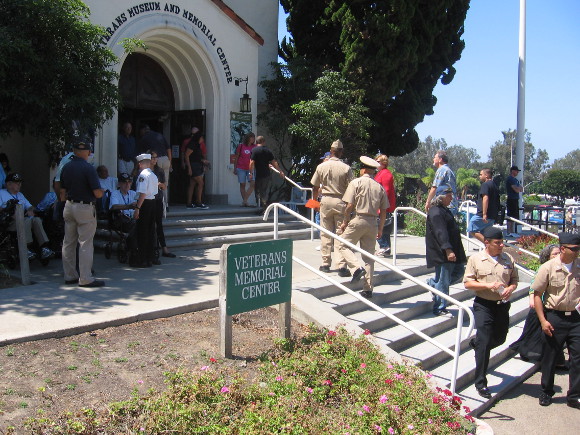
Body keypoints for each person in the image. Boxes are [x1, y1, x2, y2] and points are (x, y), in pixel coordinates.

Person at [464, 226, 519, 399]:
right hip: (483, 305)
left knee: (500, 338)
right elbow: (467, 283)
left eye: (502, 242)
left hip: (502, 305)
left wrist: (511, 288)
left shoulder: (507, 258)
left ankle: (477, 344)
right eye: (498, 243)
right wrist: (487, 285)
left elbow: (515, 280)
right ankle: (481, 382)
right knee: (485, 341)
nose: (501, 245)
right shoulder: (476, 259)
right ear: (487, 243)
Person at [532, 232, 580, 409]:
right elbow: (537, 295)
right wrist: (543, 321)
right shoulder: (548, 267)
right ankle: (546, 391)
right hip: (554, 317)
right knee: (550, 357)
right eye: (574, 249)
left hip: (576, 319)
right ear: (563, 249)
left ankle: (574, 395)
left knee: (577, 358)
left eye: (578, 249)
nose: (577, 252)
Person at [338, 156, 389, 299]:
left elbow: (349, 206)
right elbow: (384, 210)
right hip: (373, 222)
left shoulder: (356, 183)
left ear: (364, 169)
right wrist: (380, 229)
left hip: (359, 218)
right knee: (369, 257)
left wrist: (345, 221)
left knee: (343, 244)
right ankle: (368, 289)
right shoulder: (379, 187)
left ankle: (355, 268)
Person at [510, 244, 566, 365]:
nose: (557, 256)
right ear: (547, 256)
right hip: (539, 305)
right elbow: (534, 286)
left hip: (552, 306)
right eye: (554, 254)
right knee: (533, 333)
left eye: (558, 253)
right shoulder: (544, 268)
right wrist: (531, 299)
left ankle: (556, 360)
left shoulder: (563, 268)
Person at [60, 141, 104, 287]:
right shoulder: (88, 168)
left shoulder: (66, 167)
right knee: (85, 243)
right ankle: (85, 277)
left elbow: (62, 192)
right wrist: (102, 192)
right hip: (84, 207)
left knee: (68, 242)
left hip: (69, 205)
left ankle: (69, 275)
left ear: (74, 151)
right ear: (87, 152)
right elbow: (97, 193)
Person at [310, 140, 353, 276]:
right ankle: (341, 265)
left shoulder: (321, 166)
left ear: (331, 150)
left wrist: (314, 202)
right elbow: (352, 187)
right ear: (340, 151)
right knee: (341, 233)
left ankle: (325, 263)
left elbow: (315, 187)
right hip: (340, 200)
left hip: (325, 200)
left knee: (325, 232)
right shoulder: (346, 168)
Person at [425, 187, 467, 317]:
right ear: (441, 197)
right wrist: (448, 249)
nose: (451, 198)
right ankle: (439, 307)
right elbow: (440, 232)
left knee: (459, 272)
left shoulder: (444, 210)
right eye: (449, 196)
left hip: (453, 249)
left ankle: (433, 284)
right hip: (442, 252)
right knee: (443, 280)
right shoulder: (436, 212)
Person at [0, 173, 55, 261]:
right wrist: (8, 210)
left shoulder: (20, 195)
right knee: (27, 221)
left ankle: (44, 247)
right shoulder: (1, 193)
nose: (19, 185)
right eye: (16, 183)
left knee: (36, 219)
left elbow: (30, 206)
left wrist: (30, 210)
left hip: (23, 219)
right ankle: (26, 249)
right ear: (8, 184)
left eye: (20, 183)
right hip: (10, 222)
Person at [132, 153, 158, 268]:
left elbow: (143, 193)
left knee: (142, 232)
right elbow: (154, 192)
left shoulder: (143, 175)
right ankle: (149, 258)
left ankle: (142, 259)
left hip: (145, 204)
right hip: (152, 203)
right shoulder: (153, 175)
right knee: (150, 231)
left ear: (141, 164)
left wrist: (138, 208)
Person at [249, 136, 284, 213]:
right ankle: (263, 207)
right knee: (263, 191)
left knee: (258, 192)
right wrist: (280, 171)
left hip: (258, 174)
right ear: (263, 142)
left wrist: (250, 172)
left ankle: (262, 208)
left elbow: (252, 162)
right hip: (266, 174)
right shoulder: (268, 151)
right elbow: (274, 162)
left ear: (257, 142)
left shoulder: (254, 150)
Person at [138, 125, 171, 207]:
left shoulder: (144, 138)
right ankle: (165, 204)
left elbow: (142, 154)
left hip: (155, 159)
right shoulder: (159, 135)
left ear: (144, 130)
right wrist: (170, 161)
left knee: (154, 181)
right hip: (166, 159)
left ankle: (156, 202)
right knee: (165, 183)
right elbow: (168, 149)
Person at [150, 151, 175, 258]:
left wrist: (160, 185)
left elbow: (164, 186)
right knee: (149, 225)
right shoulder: (144, 171)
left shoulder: (159, 171)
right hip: (147, 200)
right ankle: (150, 249)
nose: (155, 160)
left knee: (158, 224)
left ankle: (164, 248)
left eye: (156, 158)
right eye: (152, 158)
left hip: (157, 199)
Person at [468, 168, 500, 243]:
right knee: (485, 233)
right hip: (492, 215)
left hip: (483, 215)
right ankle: (488, 248)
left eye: (481, 174)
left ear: (486, 175)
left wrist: (484, 214)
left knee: (471, 229)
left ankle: (489, 245)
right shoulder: (495, 185)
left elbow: (485, 198)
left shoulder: (485, 185)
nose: (479, 176)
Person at [374, 154, 396, 257]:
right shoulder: (380, 173)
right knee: (385, 227)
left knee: (378, 226)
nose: (376, 163)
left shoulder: (386, 174)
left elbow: (386, 190)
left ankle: (384, 245)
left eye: (378, 162)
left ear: (384, 163)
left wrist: (379, 204)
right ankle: (386, 249)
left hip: (383, 206)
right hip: (381, 205)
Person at [184, 130, 210, 209]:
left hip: (197, 165)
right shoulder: (192, 144)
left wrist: (203, 161)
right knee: (201, 183)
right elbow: (187, 155)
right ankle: (198, 202)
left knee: (192, 184)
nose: (203, 139)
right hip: (193, 166)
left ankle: (189, 203)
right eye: (202, 138)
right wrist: (189, 168)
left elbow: (195, 156)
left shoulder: (197, 145)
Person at [233, 132, 257, 207]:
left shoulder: (255, 147)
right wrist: (235, 168)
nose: (253, 139)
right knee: (242, 184)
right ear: (248, 138)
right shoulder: (241, 146)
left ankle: (244, 200)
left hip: (251, 169)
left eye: (254, 137)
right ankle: (245, 203)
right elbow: (236, 157)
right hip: (241, 168)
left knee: (252, 184)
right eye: (251, 137)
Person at [505, 165, 523, 237]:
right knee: (510, 215)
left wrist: (518, 188)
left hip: (515, 199)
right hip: (511, 199)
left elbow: (521, 189)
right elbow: (516, 189)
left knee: (514, 215)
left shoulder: (516, 180)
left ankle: (512, 231)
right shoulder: (510, 179)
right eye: (516, 171)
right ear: (513, 171)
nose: (517, 172)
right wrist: (518, 188)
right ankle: (509, 231)